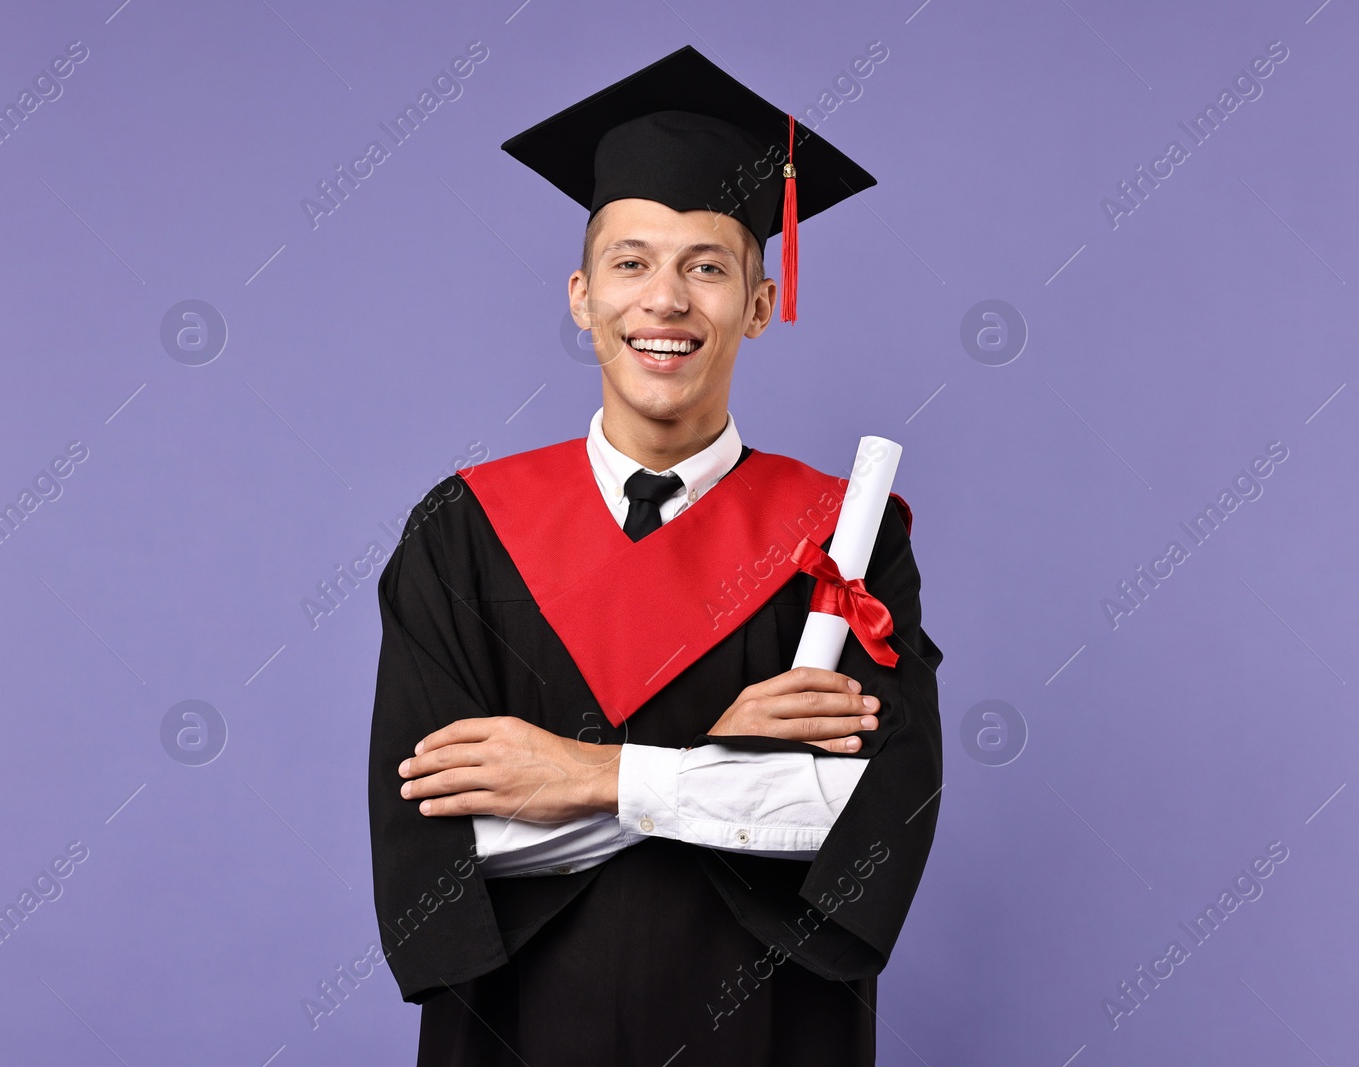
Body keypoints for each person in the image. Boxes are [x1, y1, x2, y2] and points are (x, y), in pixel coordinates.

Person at [367, 45, 943, 1066]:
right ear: (582, 296)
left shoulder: (847, 538)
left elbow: (859, 822)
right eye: (631, 263)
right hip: (517, 1027)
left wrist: (586, 773)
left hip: (767, 1030)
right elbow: (443, 844)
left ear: (758, 306)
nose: (665, 300)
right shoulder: (461, 531)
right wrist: (714, 770)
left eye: (708, 267)